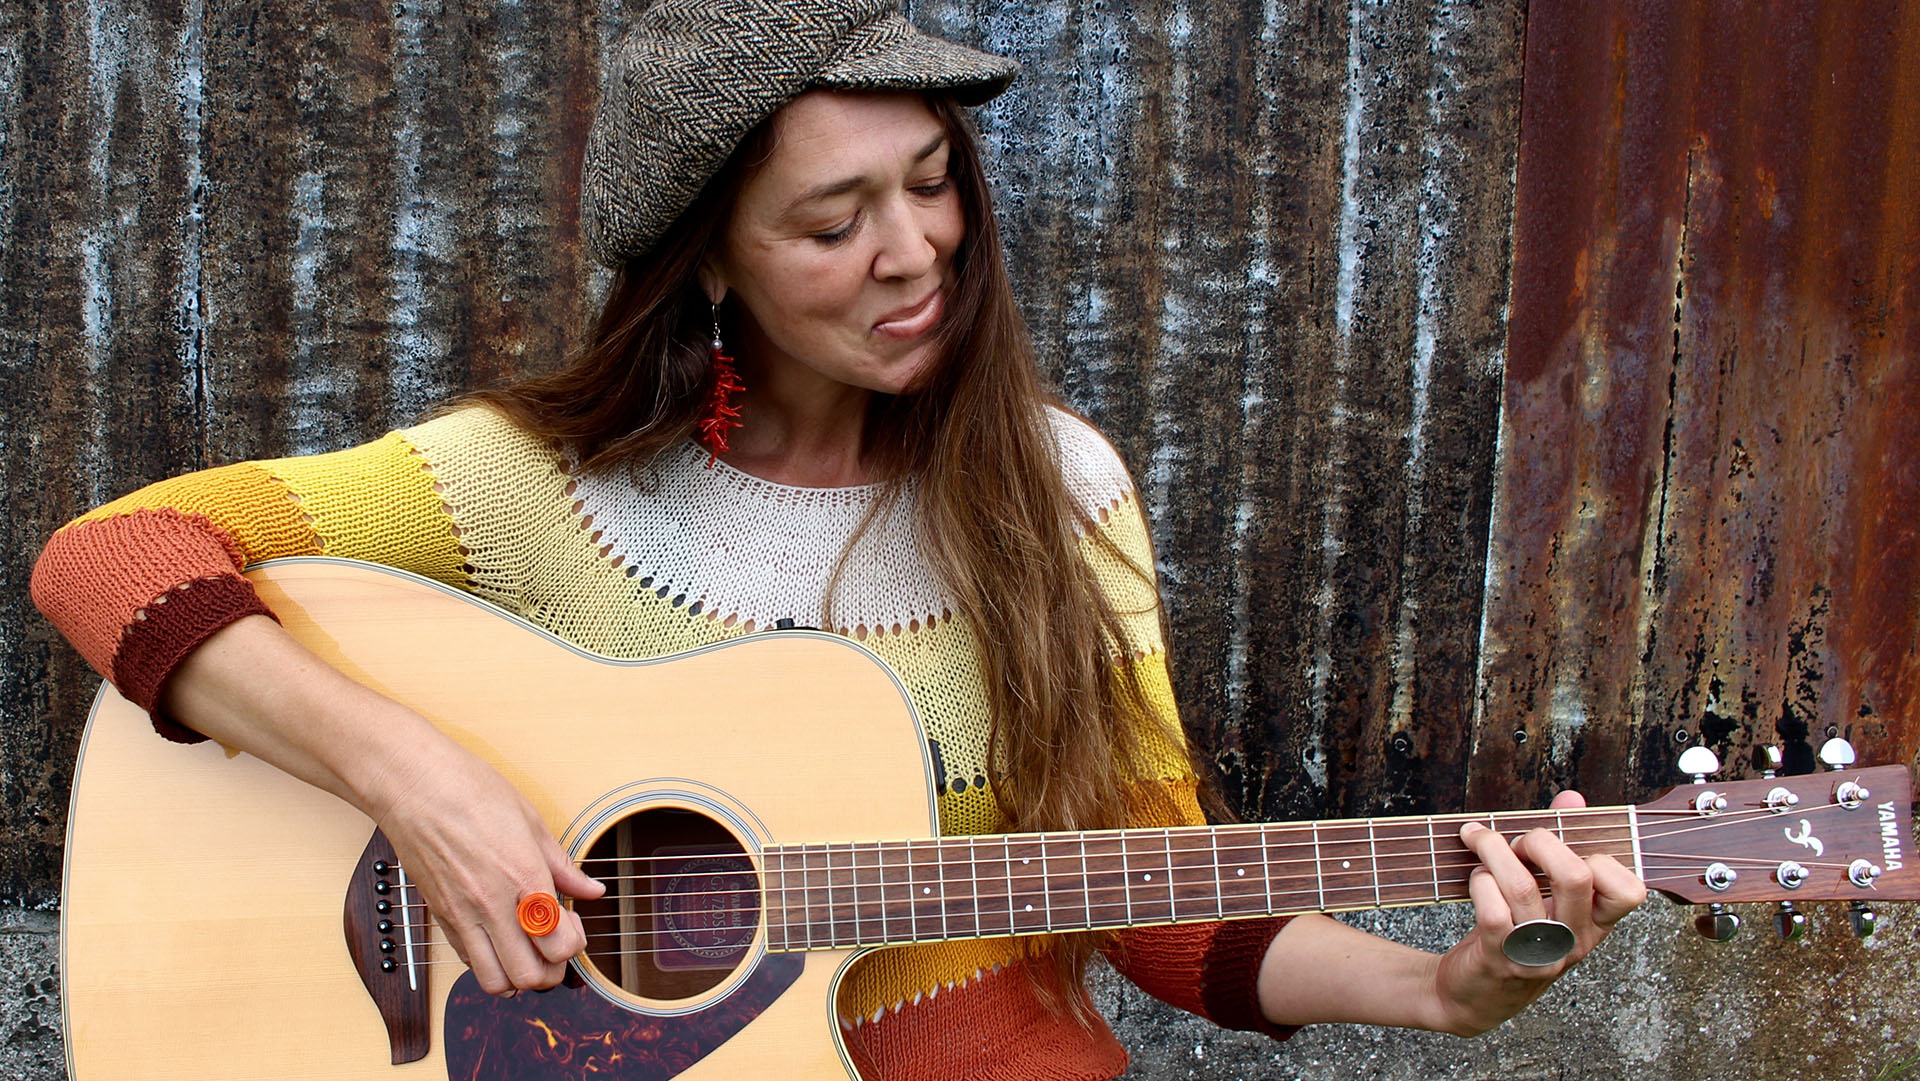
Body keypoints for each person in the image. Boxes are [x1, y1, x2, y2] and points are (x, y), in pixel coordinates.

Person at [29, 1, 1646, 1078]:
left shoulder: (1057, 489)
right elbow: (105, 558)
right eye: (831, 221)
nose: (913, 252)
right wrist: (418, 784)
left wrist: (1443, 989)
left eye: (933, 184)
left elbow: (1167, 901)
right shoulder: (526, 488)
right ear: (709, 263)